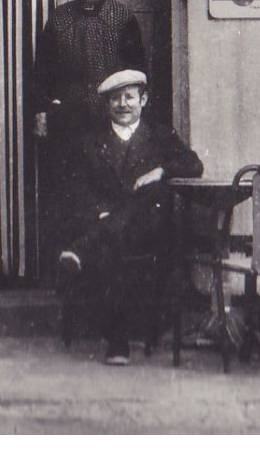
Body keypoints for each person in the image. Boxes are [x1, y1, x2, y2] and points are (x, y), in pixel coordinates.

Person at [56, 68, 203, 366]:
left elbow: (193, 165)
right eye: (115, 99)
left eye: (129, 97)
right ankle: (118, 342)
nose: (123, 104)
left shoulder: (160, 136)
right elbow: (77, 190)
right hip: (107, 224)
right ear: (107, 105)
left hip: (149, 230)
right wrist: (99, 212)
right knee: (114, 245)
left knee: (143, 202)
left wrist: (160, 171)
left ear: (143, 100)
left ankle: (81, 249)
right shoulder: (91, 142)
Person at [30, 0, 147, 141]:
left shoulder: (122, 16)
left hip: (112, 117)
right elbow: (42, 72)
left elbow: (137, 70)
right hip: (68, 118)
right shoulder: (60, 18)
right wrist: (45, 108)